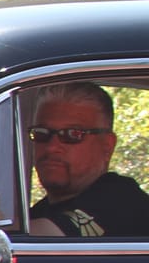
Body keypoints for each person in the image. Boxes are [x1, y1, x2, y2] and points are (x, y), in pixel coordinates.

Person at [27, 82, 149, 238]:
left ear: (107, 146)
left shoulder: (123, 201)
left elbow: (44, 238)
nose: (52, 147)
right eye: (41, 133)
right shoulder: (39, 212)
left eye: (72, 134)